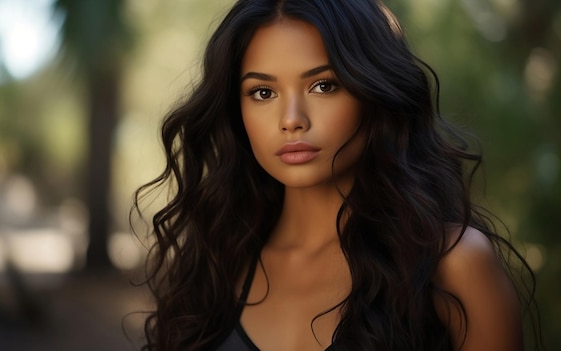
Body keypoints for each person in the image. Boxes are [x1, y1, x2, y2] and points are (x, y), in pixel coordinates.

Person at [134, 0, 540, 350]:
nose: (291, 120)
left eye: (324, 85)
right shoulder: (218, 257)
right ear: (236, 111)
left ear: (374, 91)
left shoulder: (453, 263)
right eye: (263, 92)